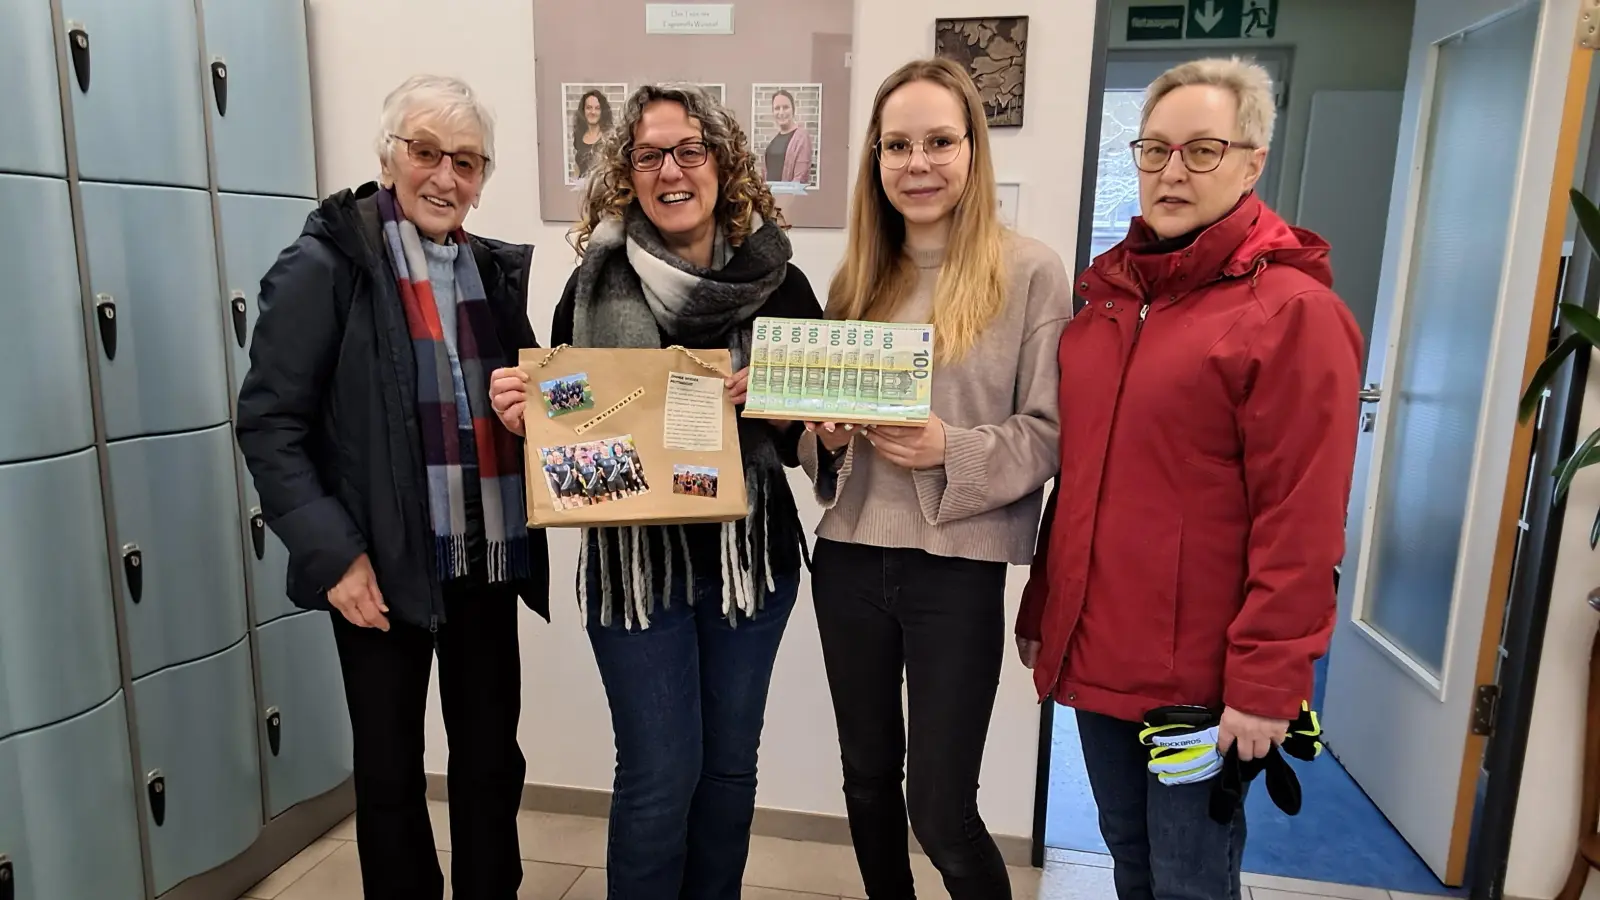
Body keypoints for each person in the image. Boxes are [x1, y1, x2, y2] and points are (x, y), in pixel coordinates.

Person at [1015, 57, 1362, 900]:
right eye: (1156, 149)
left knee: (1191, 882)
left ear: (1252, 162)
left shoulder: (1290, 314)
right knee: (1127, 859)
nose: (1173, 171)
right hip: (1099, 651)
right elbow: (1083, 487)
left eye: (1202, 150)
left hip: (1202, 682)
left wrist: (1268, 683)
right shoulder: (1106, 301)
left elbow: (1301, 520)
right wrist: (1046, 613)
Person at [486, 83, 823, 899]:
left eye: (689, 151)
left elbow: (815, 442)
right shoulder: (593, 287)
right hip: (637, 573)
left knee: (728, 773)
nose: (671, 170)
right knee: (658, 776)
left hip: (754, 566)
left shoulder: (783, 284)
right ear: (626, 172)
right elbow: (575, 423)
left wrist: (790, 412)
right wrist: (532, 418)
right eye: (649, 155)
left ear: (722, 162)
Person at [235, 74, 549, 900]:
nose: (446, 176)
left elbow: (531, 406)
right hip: (377, 568)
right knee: (388, 774)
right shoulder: (326, 265)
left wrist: (536, 417)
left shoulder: (490, 270)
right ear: (389, 157)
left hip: (485, 559)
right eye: (427, 152)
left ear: (484, 177)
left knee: (489, 764)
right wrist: (336, 557)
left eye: (469, 161)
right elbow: (270, 424)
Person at [797, 58, 1072, 900]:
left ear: (972, 150)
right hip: (847, 564)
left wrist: (953, 446)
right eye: (897, 145)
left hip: (954, 569)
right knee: (866, 782)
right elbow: (821, 456)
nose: (917, 164)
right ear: (876, 160)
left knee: (940, 808)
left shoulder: (1031, 273)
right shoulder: (857, 281)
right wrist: (828, 438)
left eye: (939, 142)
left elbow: (1051, 436)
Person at [758, 89, 814, 185]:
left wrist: (785, 197)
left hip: (788, 197)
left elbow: (800, 178)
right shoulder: (774, 141)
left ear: (793, 109)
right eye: (777, 108)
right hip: (770, 197)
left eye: (785, 107)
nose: (781, 112)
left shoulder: (802, 137)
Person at [573, 88, 613, 180]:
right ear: (583, 110)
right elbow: (577, 167)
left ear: (602, 112)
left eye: (597, 108)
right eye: (589, 108)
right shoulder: (579, 136)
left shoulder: (609, 138)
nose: (593, 112)